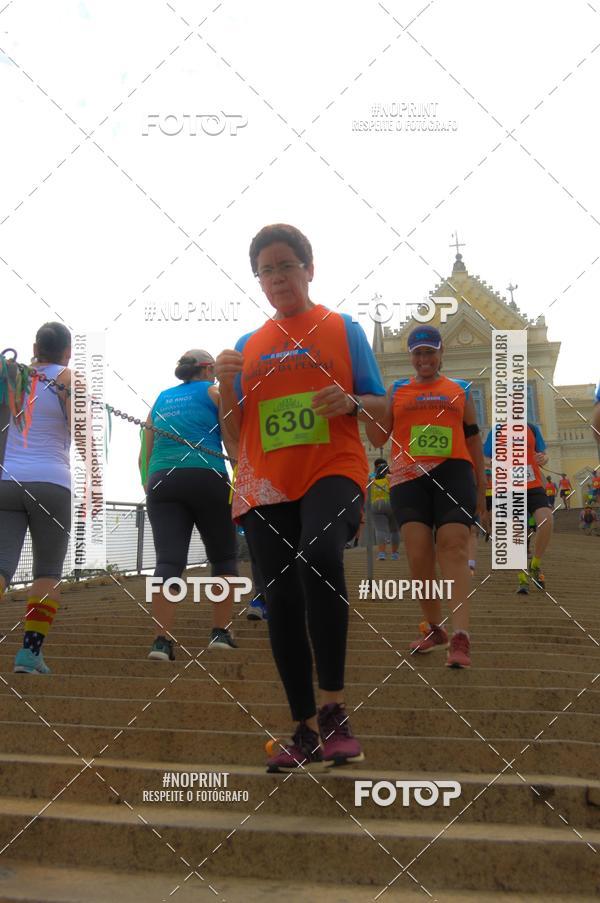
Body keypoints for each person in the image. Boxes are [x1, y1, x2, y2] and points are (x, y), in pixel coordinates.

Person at [216, 223, 387, 772]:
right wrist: (224, 392)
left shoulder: (343, 329)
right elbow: (234, 437)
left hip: (332, 469)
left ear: (309, 269)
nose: (277, 277)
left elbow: (383, 416)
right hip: (265, 483)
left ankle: (334, 709)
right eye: (266, 270)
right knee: (281, 599)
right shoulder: (248, 347)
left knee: (318, 555)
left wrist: (352, 401)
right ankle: (305, 729)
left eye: (286, 265)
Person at [366, 324, 489, 669]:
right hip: (408, 479)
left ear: (440, 353)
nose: (424, 359)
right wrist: (368, 406)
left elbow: (473, 440)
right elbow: (378, 438)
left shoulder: (460, 389)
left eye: (430, 352)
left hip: (453, 472)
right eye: (418, 353)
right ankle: (436, 629)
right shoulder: (396, 390)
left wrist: (481, 488)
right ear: (411, 356)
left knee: (453, 546)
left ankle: (461, 634)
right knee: (418, 553)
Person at [141, 350, 240, 660]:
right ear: (208, 369)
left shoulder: (161, 399)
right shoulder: (215, 392)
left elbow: (145, 450)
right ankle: (220, 633)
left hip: (162, 479)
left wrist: (149, 483)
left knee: (168, 561)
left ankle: (161, 641)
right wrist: (242, 482)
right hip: (207, 476)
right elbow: (231, 439)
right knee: (223, 556)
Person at [0, 324, 72, 674]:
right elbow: (82, 433)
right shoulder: (70, 378)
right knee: (47, 571)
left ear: (35, 347)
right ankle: (29, 654)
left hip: (7, 480)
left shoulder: (12, 377)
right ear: (67, 351)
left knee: (1, 565)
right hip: (52, 483)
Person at [483, 422, 553, 593]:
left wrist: (542, 458)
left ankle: (535, 565)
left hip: (532, 484)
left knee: (547, 520)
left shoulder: (532, 428)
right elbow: (485, 458)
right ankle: (522, 578)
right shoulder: (497, 430)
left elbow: (544, 455)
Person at [370, 458, 400, 560]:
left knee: (380, 529)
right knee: (394, 530)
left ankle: (381, 553)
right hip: (391, 503)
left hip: (376, 504)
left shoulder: (372, 479)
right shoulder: (391, 478)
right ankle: (394, 554)